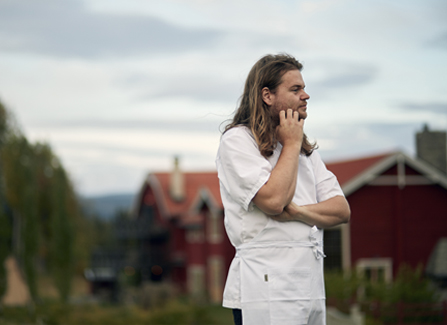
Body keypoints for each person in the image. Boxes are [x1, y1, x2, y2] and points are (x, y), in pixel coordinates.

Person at [215, 54, 351, 325]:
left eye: (304, 88)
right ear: (267, 95)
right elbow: (274, 201)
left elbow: (341, 210)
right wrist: (289, 144)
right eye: (296, 89)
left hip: (310, 284)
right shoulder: (238, 141)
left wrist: (298, 211)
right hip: (264, 284)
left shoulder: (305, 151)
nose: (306, 96)